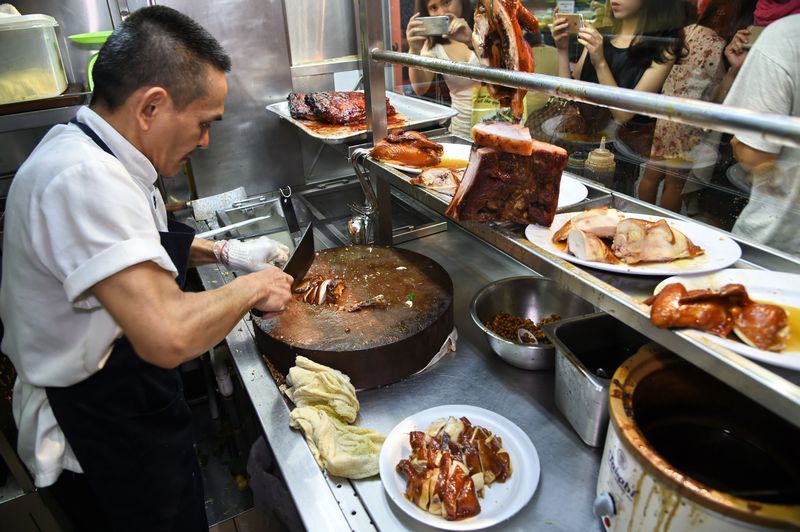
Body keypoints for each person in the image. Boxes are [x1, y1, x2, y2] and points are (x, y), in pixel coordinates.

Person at [0, 6, 294, 531]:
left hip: (124, 410)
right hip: (103, 437)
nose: (205, 142)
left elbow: (139, 245)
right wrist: (253, 287)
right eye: (204, 124)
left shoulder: (88, 150)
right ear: (152, 106)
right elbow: (167, 333)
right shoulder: (84, 178)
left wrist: (227, 253)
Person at [552, 0, 685, 193]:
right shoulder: (601, 35)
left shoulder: (663, 47)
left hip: (621, 154)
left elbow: (623, 115)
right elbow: (569, 93)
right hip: (581, 144)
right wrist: (562, 49)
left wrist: (600, 61)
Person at [638, 0, 757, 212]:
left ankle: (640, 214)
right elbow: (716, 94)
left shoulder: (686, 31)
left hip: (667, 111)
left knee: (652, 172)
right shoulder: (719, 45)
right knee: (674, 184)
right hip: (690, 120)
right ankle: (665, 229)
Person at [723, 14, 800, 254]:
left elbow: (755, 156)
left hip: (777, 242)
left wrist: (737, 143)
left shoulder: (785, 38)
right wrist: (737, 73)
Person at [406, 0, 479, 138]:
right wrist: (414, 49)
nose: (442, 12)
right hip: (462, 129)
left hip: (501, 121)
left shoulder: (485, 28)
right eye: (434, 7)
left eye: (446, 2)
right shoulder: (433, 45)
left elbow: (507, 70)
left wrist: (471, 41)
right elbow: (420, 88)